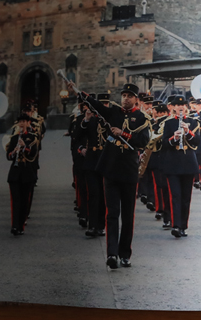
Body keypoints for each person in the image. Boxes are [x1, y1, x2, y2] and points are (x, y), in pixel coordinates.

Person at [68, 82, 150, 269]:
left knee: (128, 216)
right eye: (123, 95)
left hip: (129, 171)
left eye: (130, 96)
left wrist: (124, 134)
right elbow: (96, 105)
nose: (126, 99)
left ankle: (125, 254)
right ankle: (112, 254)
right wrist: (79, 91)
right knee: (112, 213)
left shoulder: (142, 118)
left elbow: (143, 140)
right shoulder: (114, 113)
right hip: (111, 169)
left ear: (136, 99)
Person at [159, 96, 201, 237]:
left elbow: (197, 142)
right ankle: (175, 225)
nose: (181, 107)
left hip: (188, 162)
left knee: (186, 197)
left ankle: (183, 225)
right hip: (173, 163)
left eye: (183, 104)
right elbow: (163, 144)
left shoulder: (193, 122)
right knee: (175, 195)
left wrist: (188, 132)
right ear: (173, 107)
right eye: (177, 105)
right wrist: (174, 138)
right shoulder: (169, 123)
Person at [5, 113, 40, 236]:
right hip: (15, 173)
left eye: (24, 121)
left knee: (25, 200)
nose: (21, 124)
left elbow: (33, 154)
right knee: (15, 200)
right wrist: (14, 151)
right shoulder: (14, 138)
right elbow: (8, 156)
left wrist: (24, 147)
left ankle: (21, 225)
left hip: (27, 171)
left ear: (28, 123)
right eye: (20, 122)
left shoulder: (33, 137)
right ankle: (14, 226)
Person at [79, 94, 106, 237]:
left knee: (103, 195)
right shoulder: (90, 120)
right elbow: (78, 134)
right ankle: (92, 225)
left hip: (105, 162)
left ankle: (101, 225)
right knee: (93, 194)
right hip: (91, 161)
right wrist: (86, 119)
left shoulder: (109, 121)